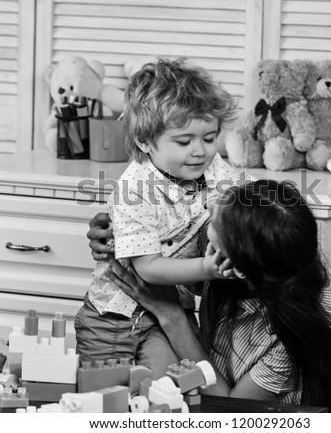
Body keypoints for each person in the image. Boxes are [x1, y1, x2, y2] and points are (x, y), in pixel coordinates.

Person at [90, 180, 331, 412]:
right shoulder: (252, 253)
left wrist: (170, 316)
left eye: (215, 222)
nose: (209, 207)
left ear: (235, 267)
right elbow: (160, 242)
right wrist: (120, 233)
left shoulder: (290, 336)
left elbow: (230, 409)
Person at [75, 58, 251, 377]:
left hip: (170, 312)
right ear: (145, 141)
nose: (200, 151)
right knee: (106, 401)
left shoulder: (212, 167)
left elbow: (250, 196)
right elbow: (148, 268)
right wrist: (207, 268)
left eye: (210, 138)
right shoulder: (135, 188)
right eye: (184, 142)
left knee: (174, 393)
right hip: (114, 318)